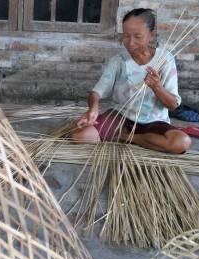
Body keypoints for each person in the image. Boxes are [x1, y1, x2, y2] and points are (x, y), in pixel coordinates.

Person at [71, 8, 191, 154]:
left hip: (154, 121)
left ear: (151, 35)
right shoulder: (118, 61)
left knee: (181, 142)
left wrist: (157, 87)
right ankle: (140, 139)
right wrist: (93, 108)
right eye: (126, 36)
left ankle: (126, 137)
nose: (130, 42)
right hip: (121, 116)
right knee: (80, 137)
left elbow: (173, 105)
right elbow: (96, 92)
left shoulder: (165, 59)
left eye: (138, 36)